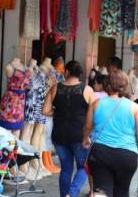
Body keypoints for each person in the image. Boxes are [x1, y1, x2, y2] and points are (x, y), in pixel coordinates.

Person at [83, 70, 138, 197]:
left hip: (100, 153)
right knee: (121, 191)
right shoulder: (134, 108)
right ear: (126, 85)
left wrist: (85, 138)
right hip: (127, 156)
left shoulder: (96, 103)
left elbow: (88, 127)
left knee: (101, 190)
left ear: (107, 85)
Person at [42, 60, 94, 197]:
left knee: (66, 169)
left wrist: (58, 111)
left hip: (59, 135)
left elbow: (45, 110)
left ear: (67, 72)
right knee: (84, 167)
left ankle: (65, 194)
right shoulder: (87, 90)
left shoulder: (55, 88)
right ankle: (71, 193)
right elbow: (94, 113)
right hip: (80, 136)